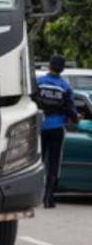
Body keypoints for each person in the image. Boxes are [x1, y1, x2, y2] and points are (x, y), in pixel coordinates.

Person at [35, 55, 78, 208]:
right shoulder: (65, 86)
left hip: (40, 127)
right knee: (54, 163)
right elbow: (71, 110)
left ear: (49, 66)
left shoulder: (39, 82)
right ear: (62, 69)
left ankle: (35, 196)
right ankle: (48, 198)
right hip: (57, 128)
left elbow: (32, 100)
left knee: (38, 162)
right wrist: (76, 119)